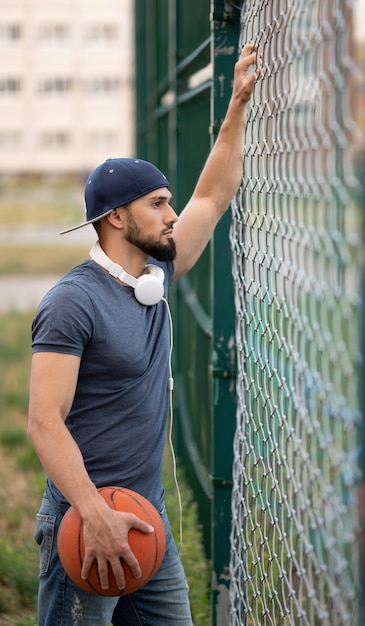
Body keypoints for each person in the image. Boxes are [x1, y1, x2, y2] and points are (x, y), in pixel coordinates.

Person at [27, 43, 261, 626]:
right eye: (158, 204)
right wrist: (93, 514)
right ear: (116, 218)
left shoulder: (156, 273)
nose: (173, 213)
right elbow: (42, 421)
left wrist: (237, 105)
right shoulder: (71, 302)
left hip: (146, 520)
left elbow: (213, 195)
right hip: (87, 523)